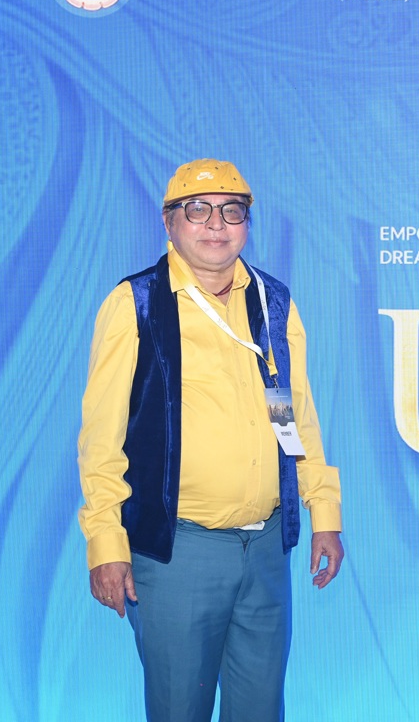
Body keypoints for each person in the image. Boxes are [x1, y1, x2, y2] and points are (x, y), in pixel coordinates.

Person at [77, 159, 343, 721]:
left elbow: (290, 415)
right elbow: (101, 440)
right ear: (168, 222)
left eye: (232, 210)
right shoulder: (135, 304)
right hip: (179, 552)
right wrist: (106, 544)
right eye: (197, 210)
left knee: (261, 711)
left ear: (247, 223)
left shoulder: (271, 302)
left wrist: (323, 510)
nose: (216, 224)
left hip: (266, 549)